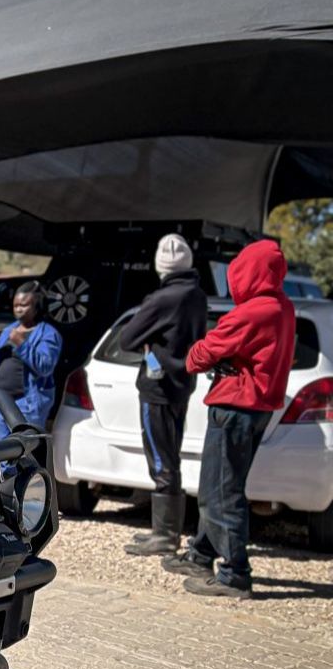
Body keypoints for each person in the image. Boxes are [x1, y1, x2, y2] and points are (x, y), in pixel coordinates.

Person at [162, 239, 295, 599]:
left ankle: (235, 573)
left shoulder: (251, 312)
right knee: (221, 484)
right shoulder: (283, 307)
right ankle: (202, 553)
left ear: (248, 272)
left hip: (235, 407)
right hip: (259, 407)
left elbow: (198, 356)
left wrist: (208, 352)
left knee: (220, 492)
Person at [119, 235, 209, 556]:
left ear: (161, 265)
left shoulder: (160, 299)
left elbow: (127, 339)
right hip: (183, 384)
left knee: (160, 458)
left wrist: (148, 340)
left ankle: (166, 535)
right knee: (171, 453)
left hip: (157, 388)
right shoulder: (197, 296)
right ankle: (165, 531)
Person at [0, 281, 61, 437]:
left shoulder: (48, 334)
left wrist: (21, 344)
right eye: (15, 305)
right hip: (0, 403)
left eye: (24, 305)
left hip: (26, 406)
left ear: (37, 306)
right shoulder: (8, 330)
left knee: (24, 453)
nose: (18, 309)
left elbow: (45, 366)